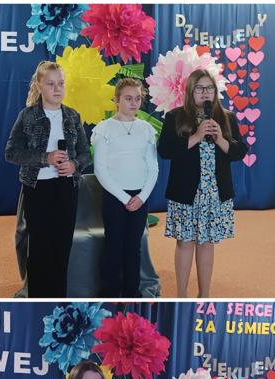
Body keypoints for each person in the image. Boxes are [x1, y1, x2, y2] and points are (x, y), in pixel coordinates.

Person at [5, 61, 91, 298]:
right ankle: (37, 298)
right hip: (37, 189)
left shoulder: (72, 116)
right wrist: (46, 157)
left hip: (66, 189)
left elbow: (85, 153)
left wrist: (74, 165)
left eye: (61, 83)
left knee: (62, 248)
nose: (57, 88)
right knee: (40, 249)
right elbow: (11, 153)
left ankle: (58, 299)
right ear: (39, 85)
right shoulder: (27, 116)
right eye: (51, 84)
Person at [158, 68, 247, 297]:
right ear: (190, 91)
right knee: (185, 243)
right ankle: (181, 294)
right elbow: (165, 151)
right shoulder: (175, 116)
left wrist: (221, 140)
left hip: (215, 193)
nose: (205, 92)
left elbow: (239, 152)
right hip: (186, 192)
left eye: (209, 88)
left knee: (207, 243)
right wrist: (196, 137)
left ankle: (204, 294)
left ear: (215, 92)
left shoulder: (226, 117)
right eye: (200, 88)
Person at [91, 78, 159, 298]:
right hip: (114, 196)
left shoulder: (146, 129)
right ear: (117, 100)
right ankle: (110, 293)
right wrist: (124, 198)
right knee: (114, 245)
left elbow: (153, 168)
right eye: (128, 98)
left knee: (133, 247)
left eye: (138, 98)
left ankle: (132, 292)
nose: (133, 103)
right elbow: (100, 169)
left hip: (139, 197)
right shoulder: (104, 129)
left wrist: (141, 197)